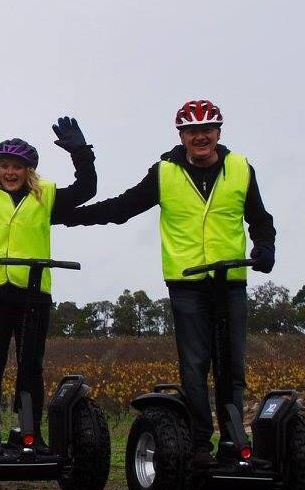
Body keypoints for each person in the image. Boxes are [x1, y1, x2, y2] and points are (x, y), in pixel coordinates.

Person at [62, 100, 276, 466]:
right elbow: (121, 208)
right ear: (182, 136)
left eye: (207, 129)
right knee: (195, 366)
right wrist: (68, 216)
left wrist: (265, 245)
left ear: (218, 132)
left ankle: (233, 441)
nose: (201, 136)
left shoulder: (241, 168)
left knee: (232, 368)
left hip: (231, 283)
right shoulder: (165, 173)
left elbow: (260, 218)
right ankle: (197, 443)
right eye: (192, 131)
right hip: (187, 284)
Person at [0, 83, 97, 455]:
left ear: (30, 171)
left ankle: (29, 432)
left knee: (31, 367)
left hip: (33, 294)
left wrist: (80, 151)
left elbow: (87, 189)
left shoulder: (47, 198)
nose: (11, 172)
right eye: (5, 166)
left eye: (19, 167)